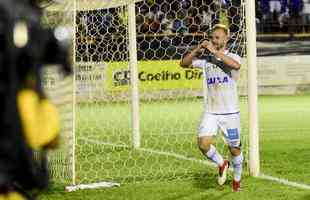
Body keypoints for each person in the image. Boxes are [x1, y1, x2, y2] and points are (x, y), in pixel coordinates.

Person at [180, 24, 243, 192]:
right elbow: (184, 64)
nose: (214, 40)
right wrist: (198, 48)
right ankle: (222, 163)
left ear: (226, 39)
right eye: (212, 37)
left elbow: (236, 66)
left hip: (230, 113)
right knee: (203, 144)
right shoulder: (206, 60)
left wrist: (214, 52)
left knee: (234, 148)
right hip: (211, 111)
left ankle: (237, 179)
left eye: (217, 37)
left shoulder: (233, 56)